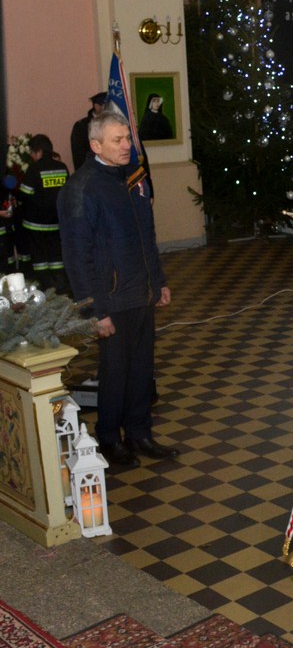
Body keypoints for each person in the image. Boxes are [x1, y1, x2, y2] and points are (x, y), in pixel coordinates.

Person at [58, 111, 179, 468]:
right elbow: (77, 258)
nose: (127, 145)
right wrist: (95, 311)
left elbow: (147, 237)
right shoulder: (80, 189)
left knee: (143, 369)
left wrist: (158, 282)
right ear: (96, 145)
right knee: (115, 372)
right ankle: (109, 439)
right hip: (110, 299)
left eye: (127, 137)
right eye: (118, 140)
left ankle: (139, 432)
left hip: (140, 292)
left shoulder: (133, 179)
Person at [17, 135, 69, 293]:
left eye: (32, 153)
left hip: (36, 225)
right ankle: (61, 290)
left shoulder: (34, 169)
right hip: (57, 222)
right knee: (57, 258)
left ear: (38, 151)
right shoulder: (62, 167)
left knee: (40, 260)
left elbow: (24, 195)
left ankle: (45, 290)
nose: (32, 156)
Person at [70, 91, 107, 170]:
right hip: (90, 171)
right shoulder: (81, 126)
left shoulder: (113, 124)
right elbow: (78, 155)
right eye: (106, 106)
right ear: (97, 106)